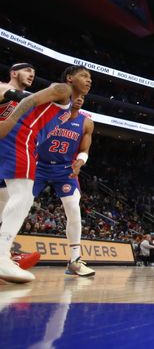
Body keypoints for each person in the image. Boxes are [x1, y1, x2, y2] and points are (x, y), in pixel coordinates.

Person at [0, 65, 91, 283]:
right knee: (23, 196)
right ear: (70, 78)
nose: (89, 80)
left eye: (90, 78)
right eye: (84, 76)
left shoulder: (70, 108)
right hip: (19, 138)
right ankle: (2, 256)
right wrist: (9, 122)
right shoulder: (63, 90)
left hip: (19, 140)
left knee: (8, 199)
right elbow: (29, 101)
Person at [33, 94, 95, 277]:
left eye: (82, 96)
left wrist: (80, 162)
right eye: (75, 95)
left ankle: (74, 261)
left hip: (65, 169)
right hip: (39, 165)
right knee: (19, 204)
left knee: (73, 209)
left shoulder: (86, 122)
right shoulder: (50, 114)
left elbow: (84, 150)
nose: (79, 99)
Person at [0, 63, 42, 272]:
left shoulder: (26, 101)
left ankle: (5, 253)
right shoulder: (3, 89)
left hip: (8, 152)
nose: (31, 75)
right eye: (27, 71)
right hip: (4, 147)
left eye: (34, 74)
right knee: (21, 197)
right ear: (14, 73)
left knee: (9, 204)